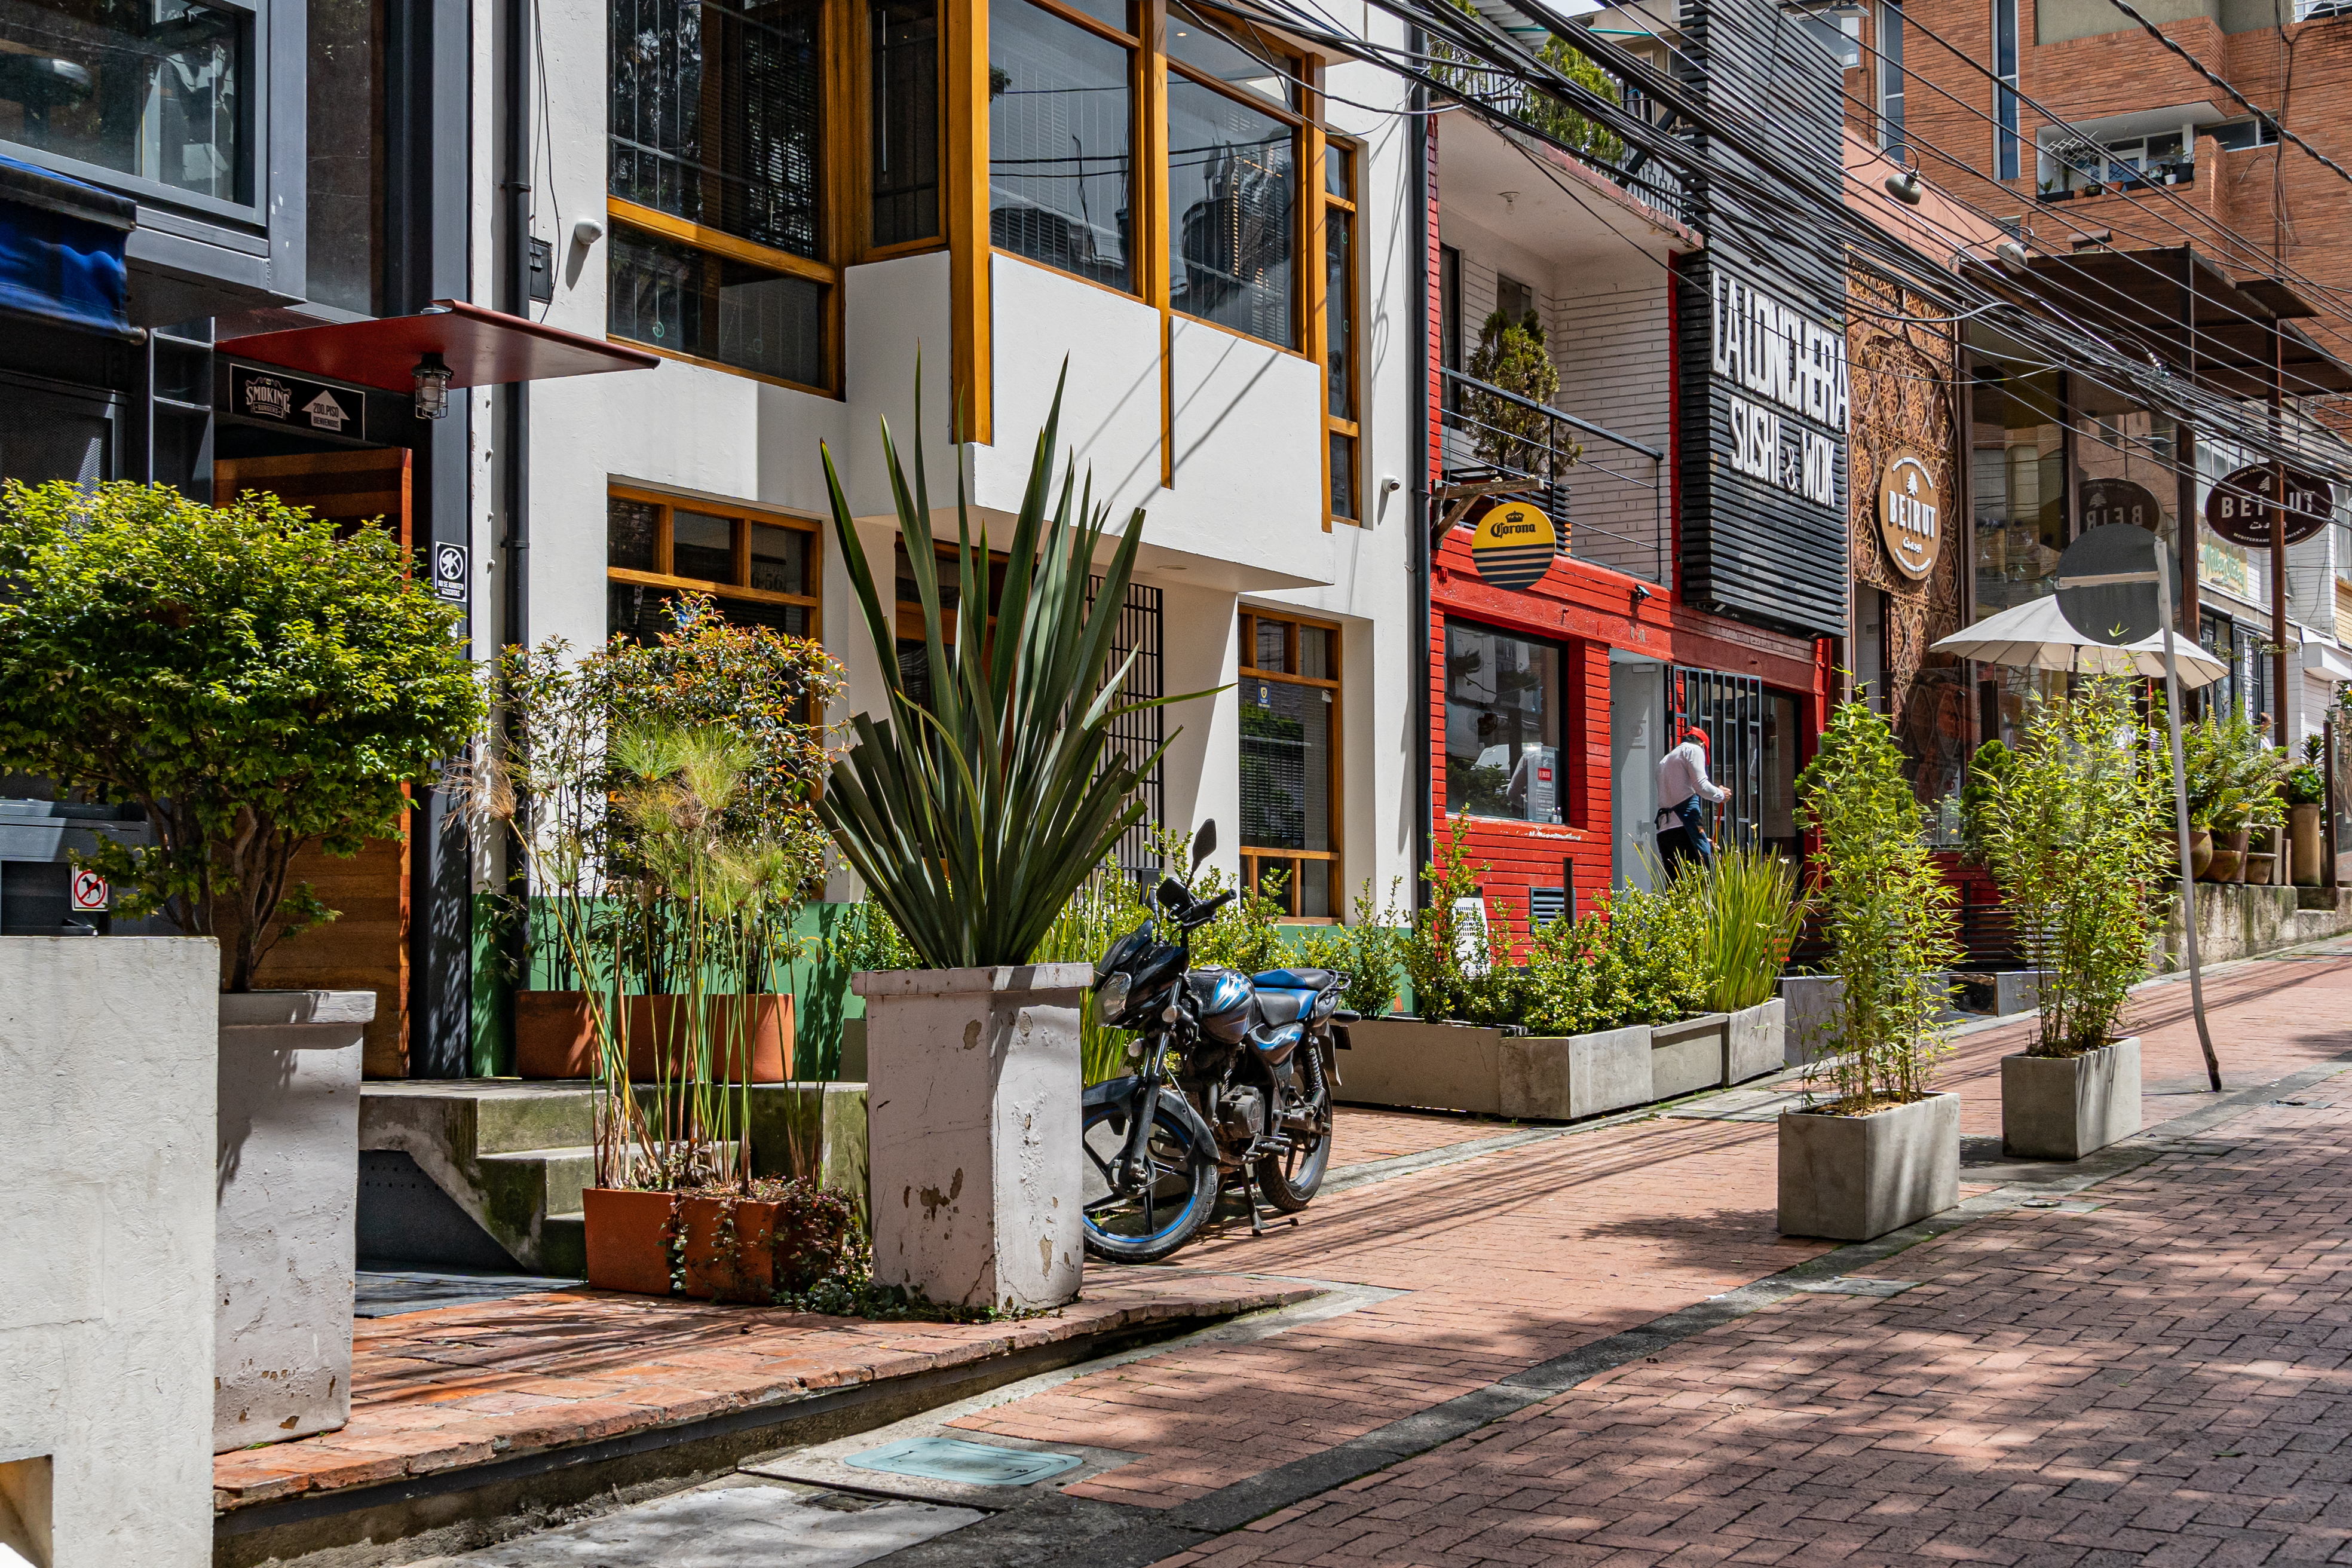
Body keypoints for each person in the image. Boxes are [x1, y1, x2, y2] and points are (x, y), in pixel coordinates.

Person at [1656, 723, 1728, 873]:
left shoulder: (1665, 760)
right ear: (1702, 744)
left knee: (1676, 885)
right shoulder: (1694, 749)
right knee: (1700, 877)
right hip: (1685, 827)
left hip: (1665, 832)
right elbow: (1701, 786)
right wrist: (1721, 795)